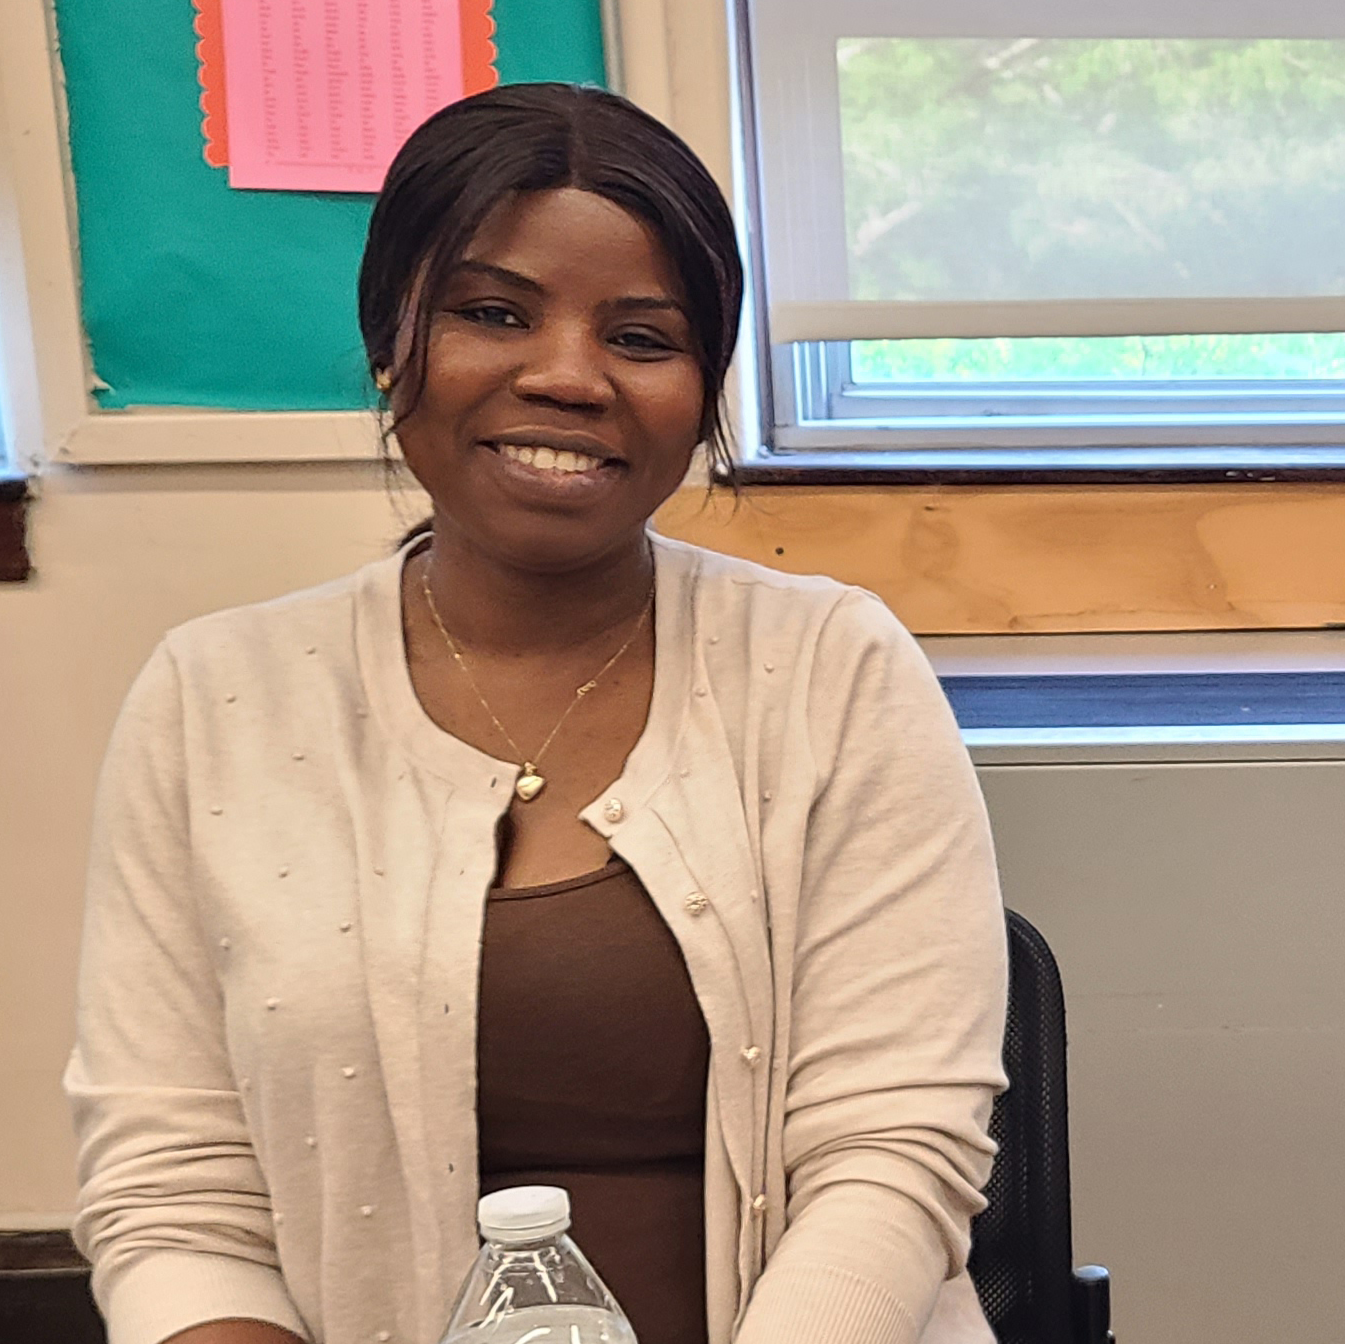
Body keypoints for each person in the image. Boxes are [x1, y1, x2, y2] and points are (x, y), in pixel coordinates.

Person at [66, 83, 1005, 1344]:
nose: (568, 377)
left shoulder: (833, 669)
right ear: (393, 341)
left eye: (642, 336)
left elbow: (894, 1154)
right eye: (493, 312)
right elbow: (173, 1197)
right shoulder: (213, 699)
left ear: (701, 388)